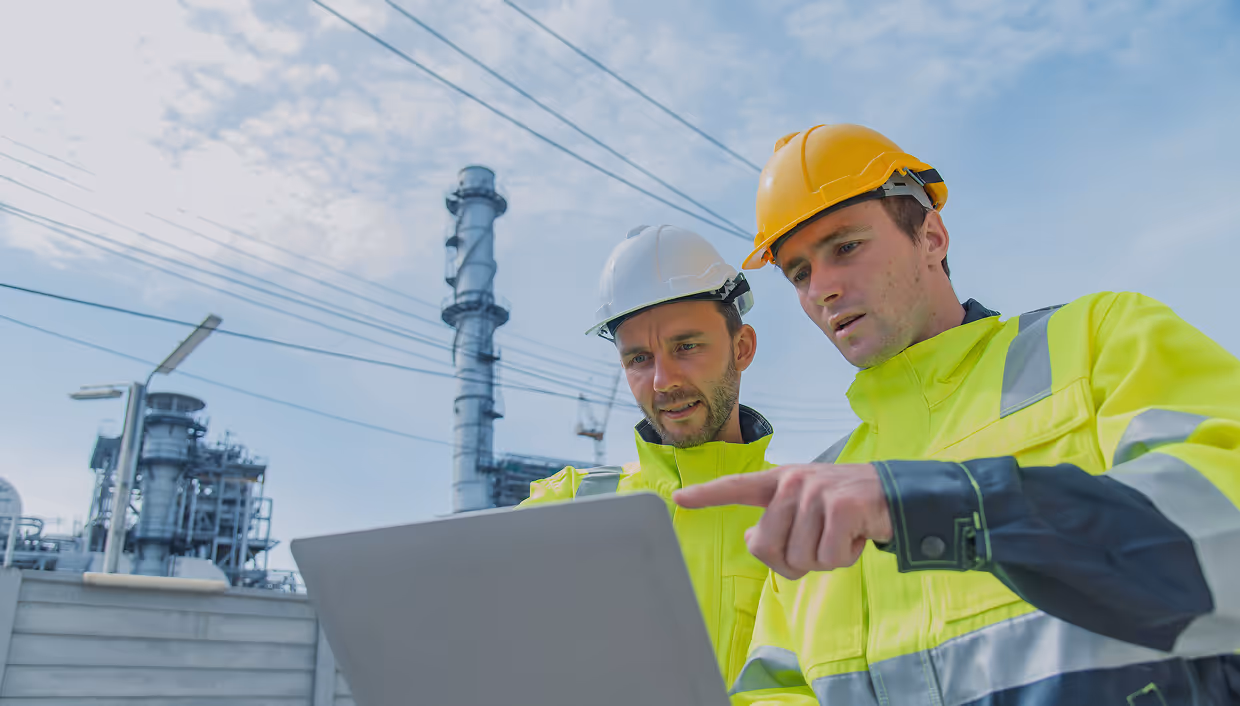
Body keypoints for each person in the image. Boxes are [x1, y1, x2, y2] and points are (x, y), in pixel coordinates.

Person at [674, 124, 1240, 705]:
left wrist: (946, 508)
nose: (822, 289)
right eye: (799, 273)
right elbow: (775, 692)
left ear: (931, 237)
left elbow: (1223, 533)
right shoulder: (818, 494)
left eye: (845, 247)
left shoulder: (1100, 340)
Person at [519, 224, 779, 688]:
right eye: (638, 358)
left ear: (742, 349)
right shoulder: (570, 505)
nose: (662, 380)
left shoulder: (800, 510)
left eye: (686, 346)